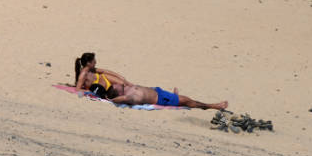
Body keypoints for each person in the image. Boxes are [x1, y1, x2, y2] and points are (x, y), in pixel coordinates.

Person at [73, 52, 225, 110]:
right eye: (94, 61)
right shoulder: (126, 96)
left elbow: (107, 72)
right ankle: (212, 106)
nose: (96, 62)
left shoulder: (96, 72)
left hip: (154, 91)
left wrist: (124, 80)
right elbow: (78, 88)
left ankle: (175, 97)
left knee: (177, 98)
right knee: (186, 101)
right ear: (89, 63)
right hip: (160, 97)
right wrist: (105, 97)